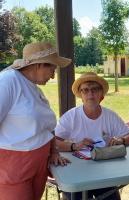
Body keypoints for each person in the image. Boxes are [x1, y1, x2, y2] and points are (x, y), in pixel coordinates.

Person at [0, 42, 71, 200]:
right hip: (14, 169)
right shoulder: (8, 81)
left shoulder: (34, 89)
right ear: (39, 65)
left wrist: (53, 151)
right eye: (52, 69)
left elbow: (47, 126)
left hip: (38, 165)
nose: (53, 75)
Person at [55, 72, 129, 200]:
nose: (90, 94)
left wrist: (121, 139)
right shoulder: (71, 116)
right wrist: (75, 146)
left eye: (94, 89)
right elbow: (53, 142)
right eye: (85, 90)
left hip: (104, 172)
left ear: (101, 95)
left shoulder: (110, 116)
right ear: (81, 96)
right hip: (76, 172)